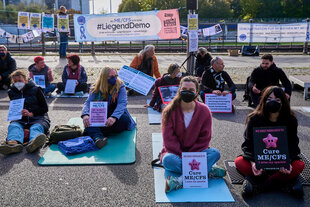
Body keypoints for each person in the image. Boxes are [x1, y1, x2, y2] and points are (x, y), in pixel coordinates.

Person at [235, 86, 305, 198]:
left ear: (283, 102)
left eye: (277, 100)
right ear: (263, 101)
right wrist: (253, 163)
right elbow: (247, 145)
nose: (273, 102)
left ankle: (258, 184)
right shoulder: (254, 119)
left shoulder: (291, 120)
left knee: (299, 165)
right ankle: (285, 183)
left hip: (281, 164)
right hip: (261, 164)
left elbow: (293, 146)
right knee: (239, 162)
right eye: (269, 99)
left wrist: (287, 163)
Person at [160, 76, 226, 193]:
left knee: (215, 153)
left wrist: (192, 157)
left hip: (197, 152)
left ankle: (179, 180)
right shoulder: (169, 111)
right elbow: (168, 140)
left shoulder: (205, 110)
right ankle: (206, 170)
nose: (187, 92)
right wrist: (185, 158)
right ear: (179, 89)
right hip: (175, 154)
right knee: (168, 160)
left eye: (191, 90)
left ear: (196, 92)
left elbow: (205, 139)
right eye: (184, 89)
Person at [81, 67, 136, 149]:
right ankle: (98, 138)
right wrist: (85, 114)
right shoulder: (95, 87)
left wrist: (114, 117)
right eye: (111, 76)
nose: (114, 78)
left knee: (124, 120)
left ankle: (95, 131)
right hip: (101, 113)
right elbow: (88, 102)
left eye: (115, 75)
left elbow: (122, 103)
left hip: (115, 114)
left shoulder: (120, 86)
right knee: (88, 120)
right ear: (104, 77)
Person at [0, 70, 50, 155]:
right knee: (14, 126)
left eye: (20, 81)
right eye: (15, 81)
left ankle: (34, 143)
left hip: (38, 118)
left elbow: (45, 108)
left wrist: (32, 113)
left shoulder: (36, 89)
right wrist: (16, 113)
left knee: (35, 127)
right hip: (21, 119)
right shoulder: (11, 92)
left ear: (26, 80)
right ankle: (13, 144)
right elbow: (14, 107)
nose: (17, 83)